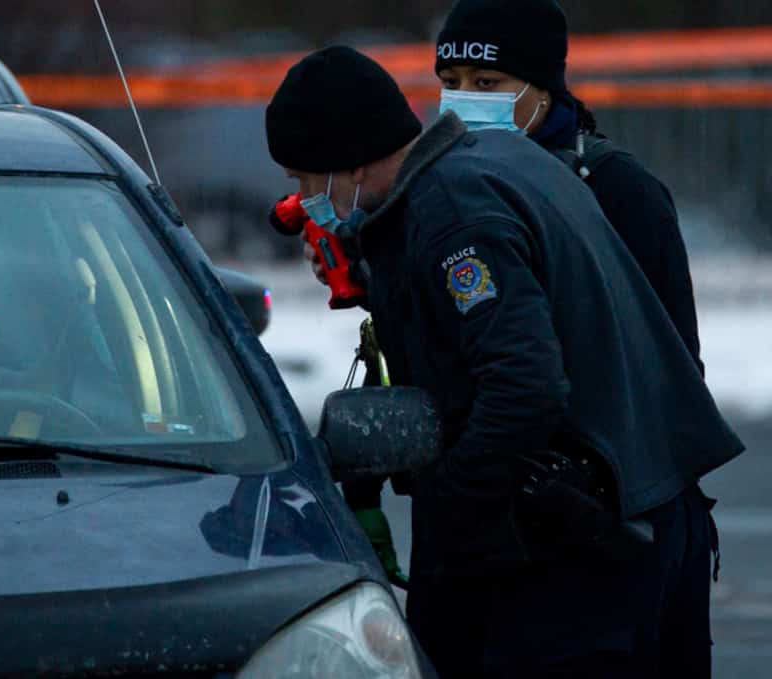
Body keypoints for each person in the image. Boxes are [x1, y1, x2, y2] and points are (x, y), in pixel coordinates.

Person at [265, 45, 744, 678]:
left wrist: (453, 506)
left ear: (349, 158)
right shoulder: (485, 162)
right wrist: (378, 265)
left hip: (581, 562)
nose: (304, 198)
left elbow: (523, 383)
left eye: (305, 179)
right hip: (639, 524)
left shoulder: (452, 216)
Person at [434, 0, 704, 374]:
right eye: (451, 83)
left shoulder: (618, 188)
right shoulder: (437, 186)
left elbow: (674, 362)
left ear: (542, 88)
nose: (464, 100)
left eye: (486, 82)